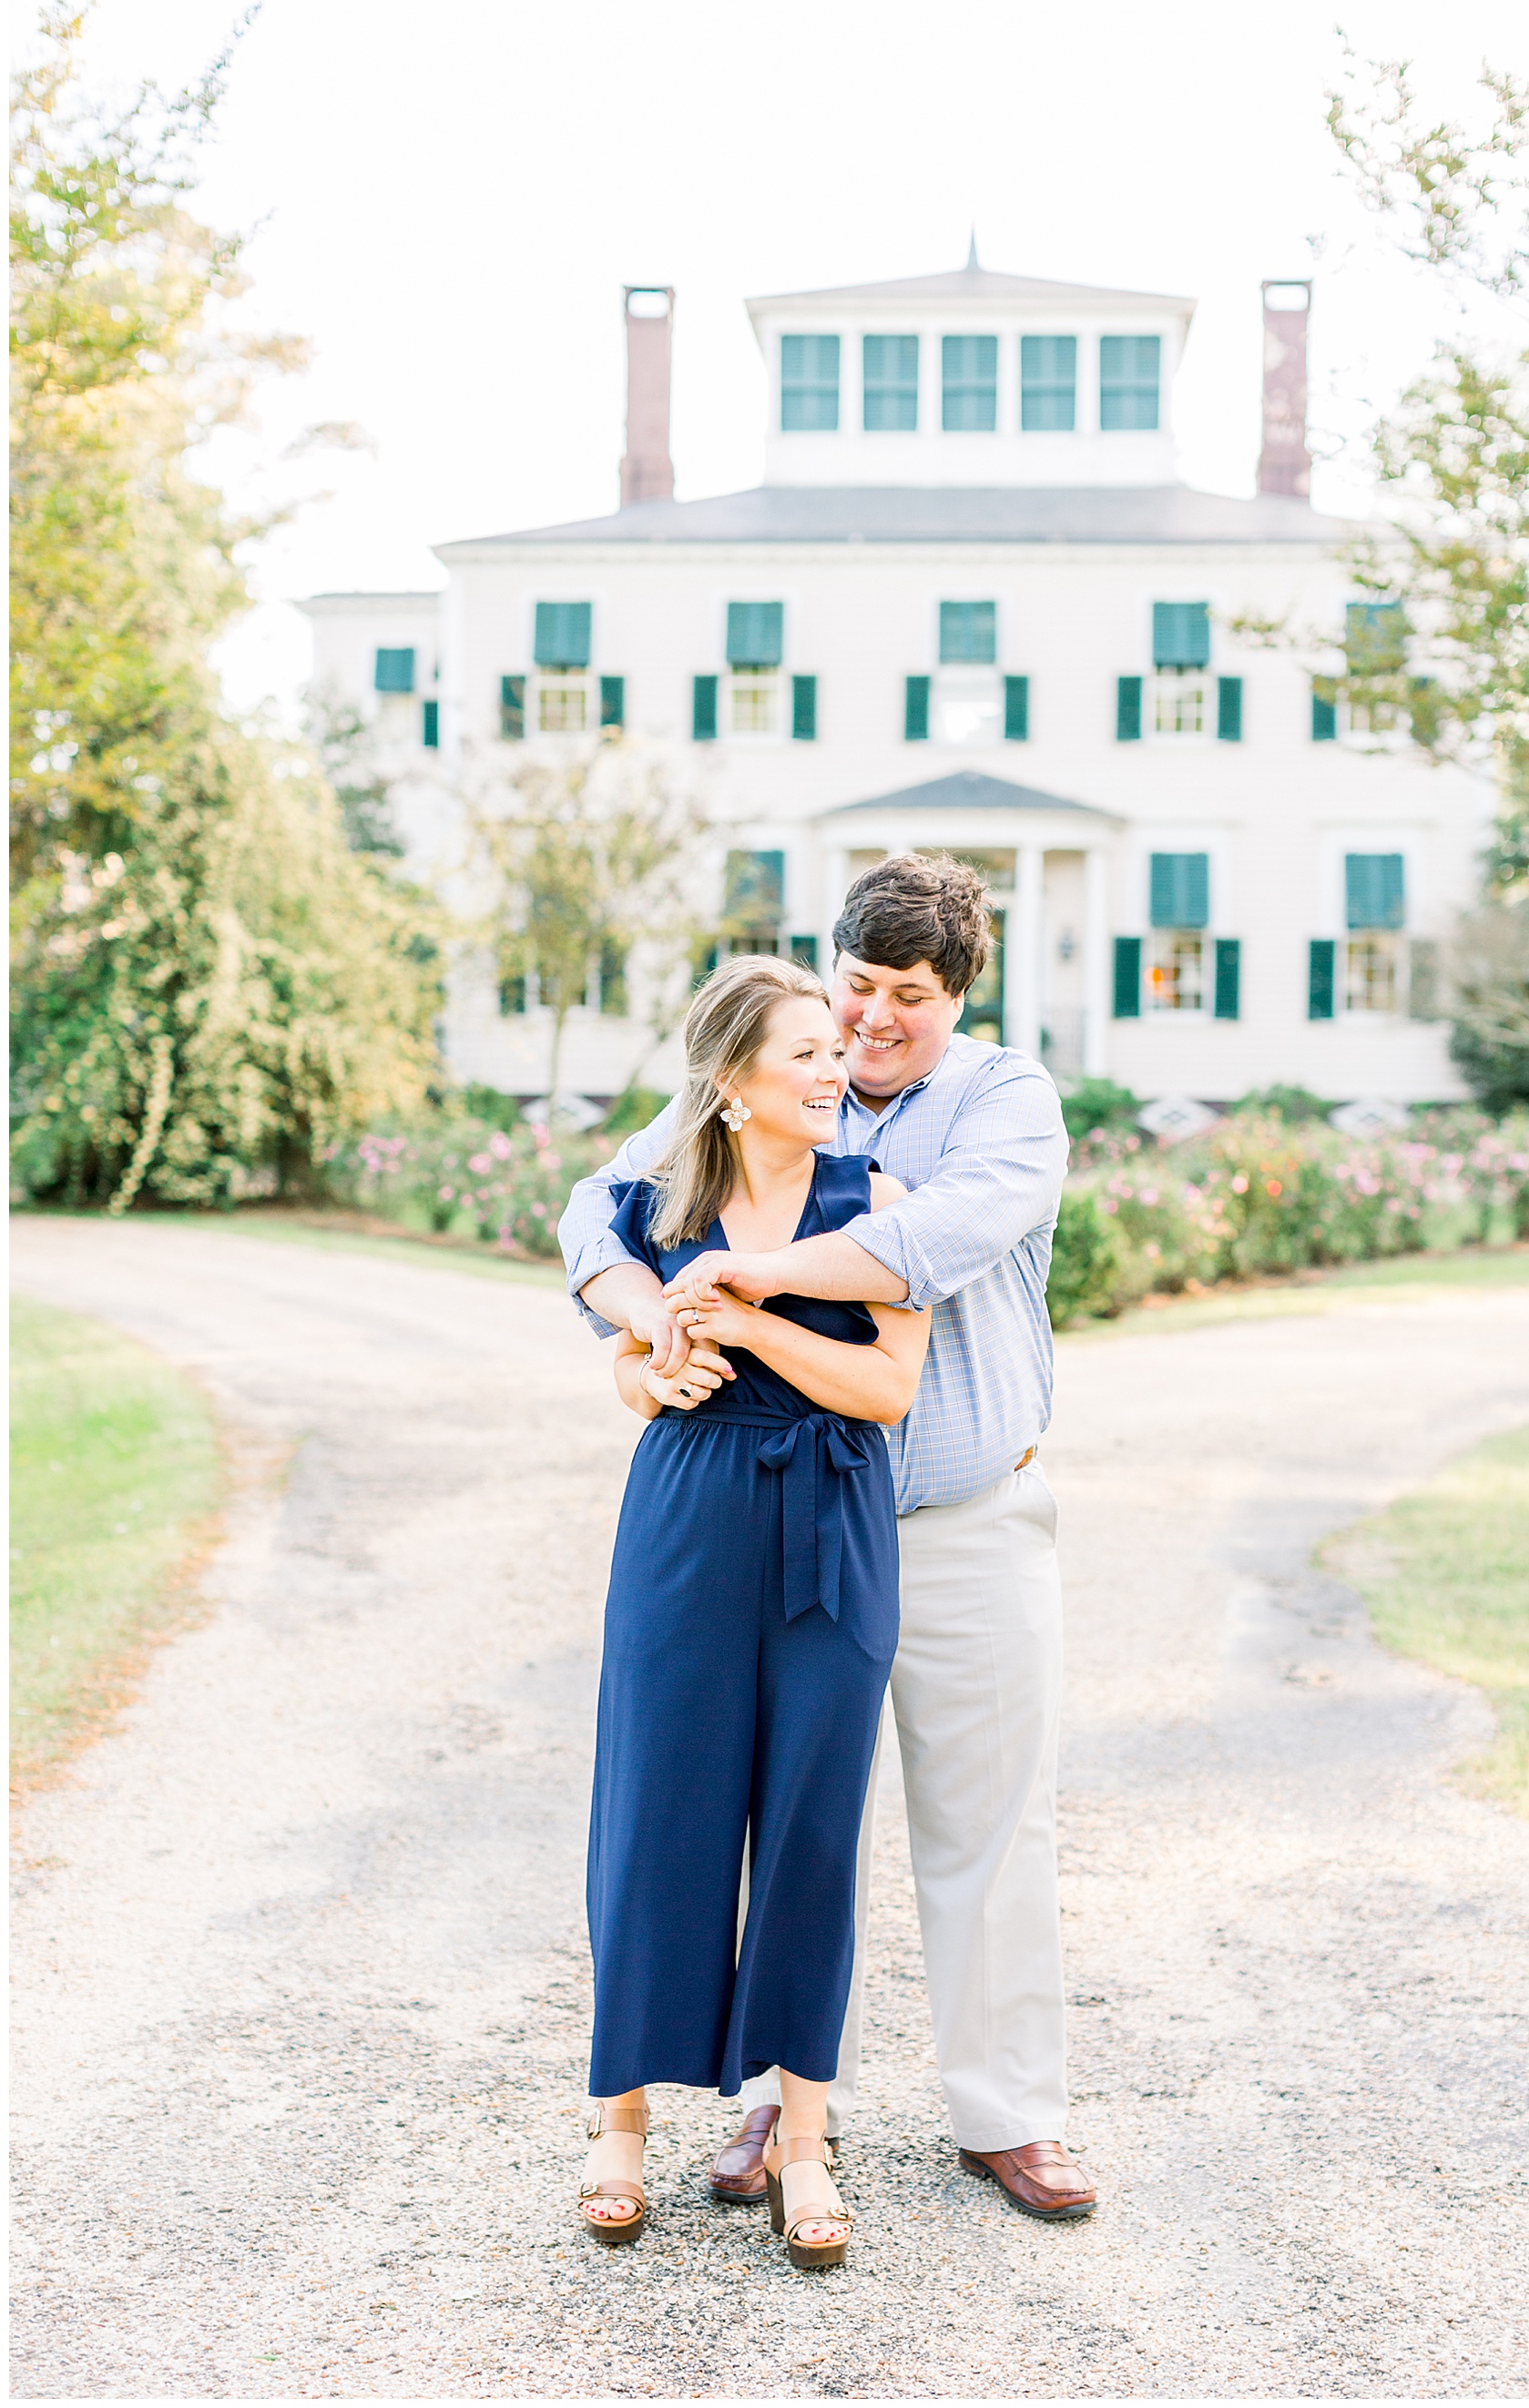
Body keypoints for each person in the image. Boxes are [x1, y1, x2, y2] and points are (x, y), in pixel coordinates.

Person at [560, 853, 1098, 2222]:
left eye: (906, 996)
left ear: (957, 994)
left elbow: (931, 1244)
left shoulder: (1001, 1102)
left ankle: (1010, 2115)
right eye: (855, 985)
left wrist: (744, 1282)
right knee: (786, 1815)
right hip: (785, 1526)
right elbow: (599, 1212)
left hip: (965, 1516)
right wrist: (648, 1317)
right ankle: (779, 2111)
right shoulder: (769, 1071)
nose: (871, 1018)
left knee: (988, 1822)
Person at [576, 954, 930, 2266]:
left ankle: (803, 2140)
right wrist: (655, 1371)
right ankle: (618, 2123)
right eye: (805, 1053)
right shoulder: (660, 1199)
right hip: (686, 1515)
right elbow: (625, 1361)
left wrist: (752, 1310)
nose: (835, 1068)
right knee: (654, 1803)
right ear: (731, 1084)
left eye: (831, 1051)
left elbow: (890, 1385)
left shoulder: (880, 1201)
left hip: (834, 1520)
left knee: (810, 1830)